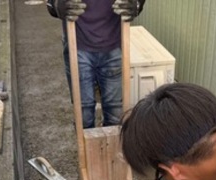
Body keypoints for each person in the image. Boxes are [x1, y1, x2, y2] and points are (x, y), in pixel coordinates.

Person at [46, 0, 146, 129]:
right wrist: (57, 5)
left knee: (115, 117)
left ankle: (112, 149)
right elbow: (51, 4)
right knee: (83, 116)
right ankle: (87, 148)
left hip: (114, 44)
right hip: (77, 44)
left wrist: (137, 4)